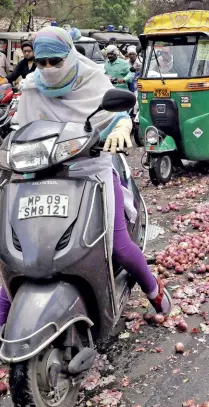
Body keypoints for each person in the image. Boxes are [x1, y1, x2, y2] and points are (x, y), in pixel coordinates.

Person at [0, 27, 171, 326]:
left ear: (70, 55)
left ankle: (155, 291)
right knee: (19, 251)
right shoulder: (30, 88)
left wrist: (120, 127)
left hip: (91, 172)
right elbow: (20, 129)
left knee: (119, 247)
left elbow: (115, 115)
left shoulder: (92, 80)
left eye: (56, 61)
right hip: (39, 175)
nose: (49, 69)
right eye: (42, 63)